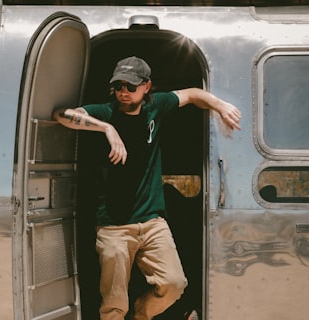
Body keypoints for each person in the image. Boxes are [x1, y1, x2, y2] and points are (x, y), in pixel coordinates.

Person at [53, 56, 241, 320]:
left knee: (174, 284)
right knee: (115, 303)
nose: (123, 93)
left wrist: (221, 106)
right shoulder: (106, 111)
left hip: (152, 222)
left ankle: (141, 315)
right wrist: (106, 128)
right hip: (113, 227)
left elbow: (193, 94)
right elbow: (61, 115)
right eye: (118, 86)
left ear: (146, 86)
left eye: (131, 86)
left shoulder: (157, 106)